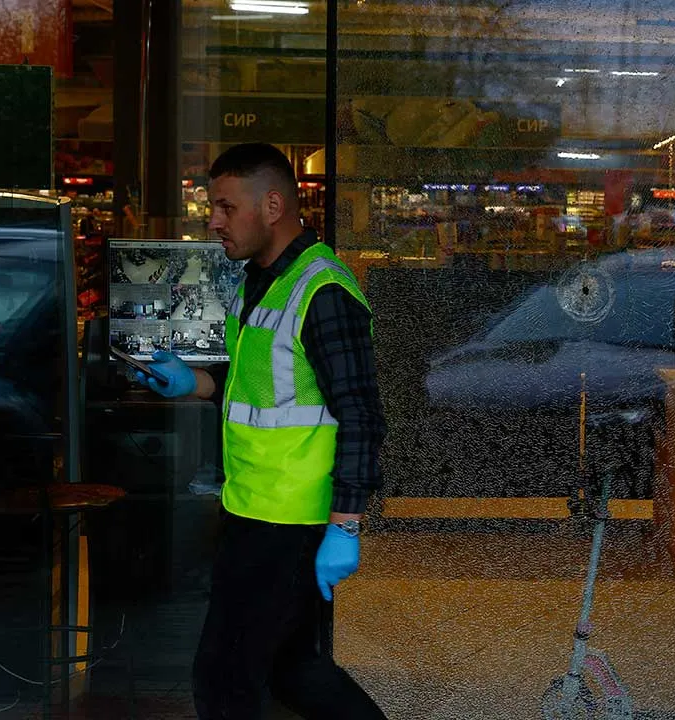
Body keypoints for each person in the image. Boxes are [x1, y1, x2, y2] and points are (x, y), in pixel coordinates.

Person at [134, 142, 389, 719]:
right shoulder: (263, 281)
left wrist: (345, 525)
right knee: (293, 670)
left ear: (272, 204)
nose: (214, 221)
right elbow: (268, 388)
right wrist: (194, 384)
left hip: (289, 524)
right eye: (211, 207)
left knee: (224, 680)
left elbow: (362, 414)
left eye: (225, 207)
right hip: (253, 509)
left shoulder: (322, 291)